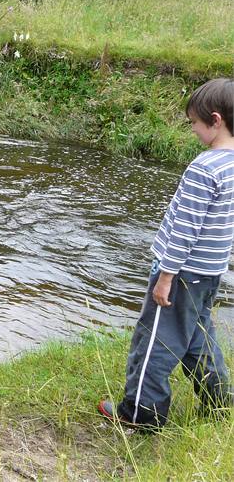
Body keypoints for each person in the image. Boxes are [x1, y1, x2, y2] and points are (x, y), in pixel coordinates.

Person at [98, 78, 234, 429]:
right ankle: (220, 402)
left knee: (154, 341)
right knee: (197, 338)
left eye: (194, 123)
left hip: (181, 273)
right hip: (210, 272)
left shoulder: (204, 169)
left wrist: (165, 277)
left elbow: (184, 231)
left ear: (215, 120)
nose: (192, 130)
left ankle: (141, 412)